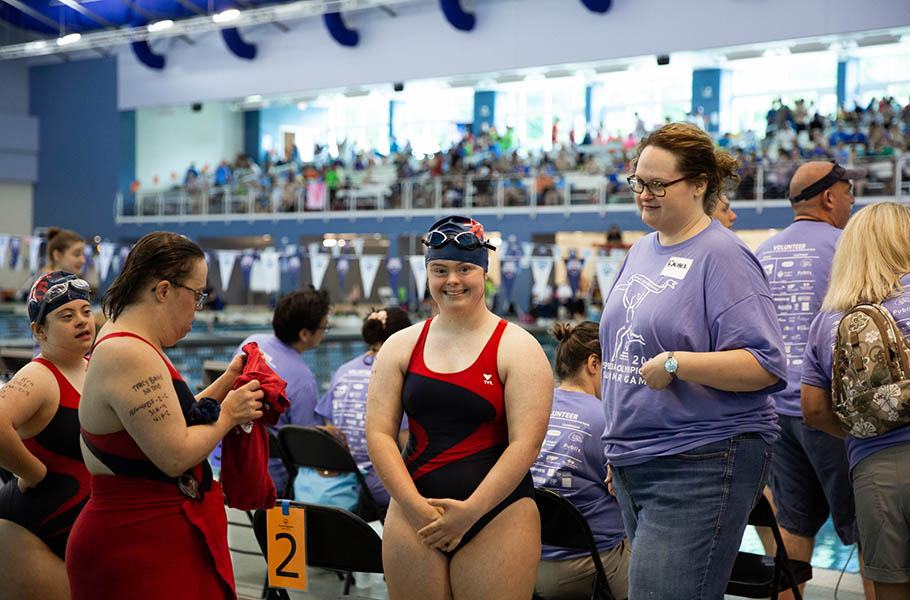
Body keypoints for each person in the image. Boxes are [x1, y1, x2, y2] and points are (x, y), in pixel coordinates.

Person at [600, 122, 787, 598]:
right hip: (634, 459)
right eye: (638, 182)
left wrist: (678, 363)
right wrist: (617, 441)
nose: (644, 194)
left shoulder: (723, 256)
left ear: (700, 184)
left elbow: (766, 364)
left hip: (700, 458)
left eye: (659, 184)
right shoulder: (642, 249)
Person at [66, 231, 265, 600]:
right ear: (163, 291)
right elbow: (174, 454)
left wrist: (227, 382)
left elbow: (170, 420)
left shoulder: (130, 339)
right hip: (135, 542)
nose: (200, 307)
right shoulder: (129, 351)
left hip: (146, 534)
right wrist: (229, 416)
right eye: (197, 295)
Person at [366, 215, 553, 600]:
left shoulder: (518, 347)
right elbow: (379, 434)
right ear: (428, 274)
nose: (452, 280)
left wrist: (469, 513)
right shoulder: (400, 346)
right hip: (413, 509)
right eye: (440, 269)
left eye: (465, 269)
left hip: (497, 514)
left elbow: (526, 445)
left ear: (484, 272)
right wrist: (414, 507)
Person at [754, 160, 873, 598]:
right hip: (827, 411)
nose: (852, 201)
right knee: (869, 528)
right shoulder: (848, 248)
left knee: (793, 524)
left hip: (774, 411)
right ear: (828, 197)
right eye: (847, 193)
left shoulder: (763, 251)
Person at [801, 202, 910, 600]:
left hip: (874, 468)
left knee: (890, 586)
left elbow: (812, 411)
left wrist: (862, 431)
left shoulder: (829, 318)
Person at [0, 272, 95, 599]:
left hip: (78, 530)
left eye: (85, 311)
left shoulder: (93, 367)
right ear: (38, 330)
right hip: (30, 532)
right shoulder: (39, 375)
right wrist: (32, 471)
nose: (82, 321)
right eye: (67, 316)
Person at [532, 322, 629, 600]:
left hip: (523, 566)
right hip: (590, 571)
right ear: (594, 363)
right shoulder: (608, 420)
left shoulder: (533, 407)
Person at [313, 307, 412, 514]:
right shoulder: (396, 374)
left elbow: (332, 431)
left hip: (341, 479)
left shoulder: (343, 370)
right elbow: (408, 447)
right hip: (376, 486)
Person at [234, 287, 331, 493]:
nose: (324, 334)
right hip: (275, 483)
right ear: (305, 334)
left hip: (237, 463)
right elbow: (305, 451)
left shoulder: (252, 342)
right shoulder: (304, 381)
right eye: (324, 328)